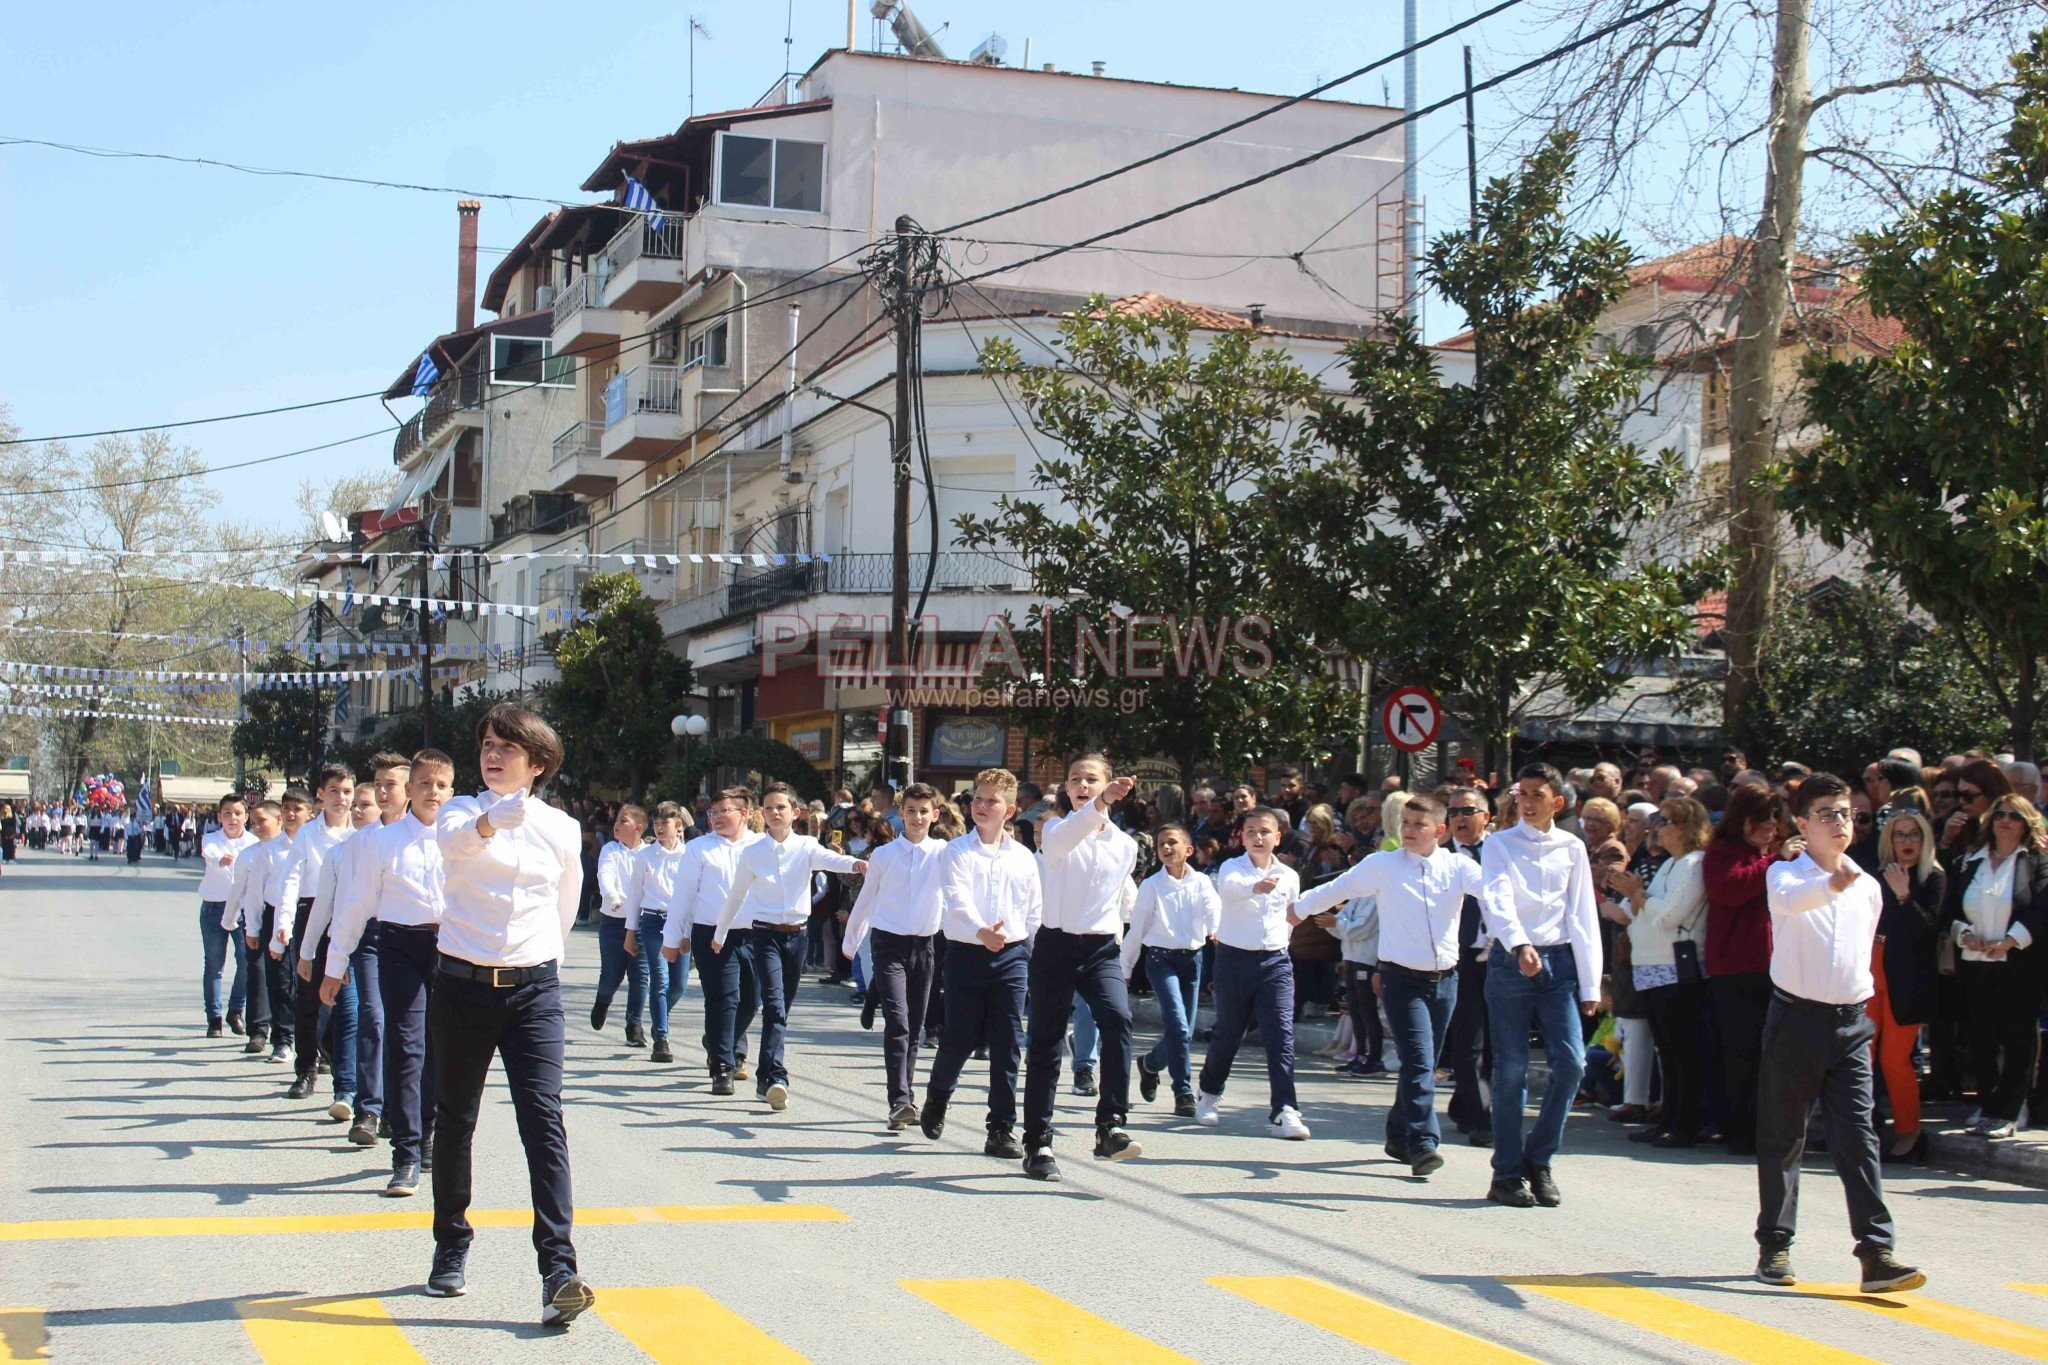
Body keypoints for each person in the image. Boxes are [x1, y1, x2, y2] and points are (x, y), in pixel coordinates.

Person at [421, 704, 592, 1326]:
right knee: (456, 1117)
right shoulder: (464, 811)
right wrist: (492, 821)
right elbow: (454, 847)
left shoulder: (562, 829)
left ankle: (559, 1268)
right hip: (462, 985)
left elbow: (565, 904)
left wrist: (538, 960)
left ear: (537, 763)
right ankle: (451, 1243)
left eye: (508, 748)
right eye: (489, 745)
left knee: (543, 1120)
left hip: (533, 991)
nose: (494, 756)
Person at [1754, 773, 1924, 1295]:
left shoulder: (1868, 886)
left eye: (1847, 813)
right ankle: (1775, 1243)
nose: (1840, 822)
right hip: (1795, 1018)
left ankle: (1876, 1252)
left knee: (1859, 1137)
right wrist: (1831, 883)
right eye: (1826, 814)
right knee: (1785, 1136)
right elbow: (1792, 904)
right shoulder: (1785, 875)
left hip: (1851, 1023)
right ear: (1802, 823)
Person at [1293, 794, 1481, 1178]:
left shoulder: (1459, 867)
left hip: (1445, 981)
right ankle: (1423, 1141)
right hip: (1400, 980)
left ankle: (1397, 1134)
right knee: (1419, 1060)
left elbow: (1498, 894)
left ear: (1440, 832)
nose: (1409, 831)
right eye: (1405, 823)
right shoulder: (1383, 865)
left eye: (1419, 825)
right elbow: (1338, 889)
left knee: (1421, 1062)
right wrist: (1297, 909)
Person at [324, 753, 453, 1197]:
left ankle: (430, 1135)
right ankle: (405, 1153)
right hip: (398, 946)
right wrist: (334, 962)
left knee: (440, 1047)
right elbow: (356, 904)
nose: (432, 792)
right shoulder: (384, 841)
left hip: (452, 949)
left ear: (451, 791)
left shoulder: (465, 837)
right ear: (409, 790)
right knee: (405, 1046)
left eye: (440, 784)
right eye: (423, 784)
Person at [1478, 764, 1601, 1209]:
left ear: (1558, 802)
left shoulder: (1572, 847)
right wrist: (1518, 943)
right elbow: (1497, 897)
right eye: (1522, 793)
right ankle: (1506, 1172)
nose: (1527, 802)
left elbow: (1583, 913)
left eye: (1537, 794)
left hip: (1560, 962)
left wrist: (1590, 984)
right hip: (1513, 962)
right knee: (1510, 1070)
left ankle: (1539, 1158)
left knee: (1571, 1063)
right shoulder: (1499, 844)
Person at [1022, 754, 1143, 1180]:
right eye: (1075, 779)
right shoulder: (1055, 829)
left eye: (1092, 779)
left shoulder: (1126, 846)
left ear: (1109, 783)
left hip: (1100, 949)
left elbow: (1125, 901)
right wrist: (1099, 804)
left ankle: (1110, 1126)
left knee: (1118, 1019)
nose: (1083, 785)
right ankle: (1037, 1142)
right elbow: (1069, 836)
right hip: (1055, 946)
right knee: (1046, 1043)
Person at [712, 782, 866, 1111]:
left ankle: (765, 1075)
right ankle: (774, 1076)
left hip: (798, 936)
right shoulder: (752, 853)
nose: (775, 813)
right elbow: (736, 896)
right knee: (774, 1005)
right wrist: (720, 932)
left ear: (795, 813)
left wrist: (856, 864)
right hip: (764, 935)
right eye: (768, 808)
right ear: (761, 814)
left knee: (783, 1008)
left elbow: (831, 860)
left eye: (781, 807)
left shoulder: (806, 846)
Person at [921, 766, 1040, 1160]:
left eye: (992, 801)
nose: (982, 806)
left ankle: (1001, 1128)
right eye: (978, 798)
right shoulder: (956, 851)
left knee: (1008, 1043)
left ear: (1009, 810)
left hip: (1012, 956)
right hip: (967, 953)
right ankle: (938, 1096)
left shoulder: (1024, 857)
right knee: (960, 1037)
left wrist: (1028, 951)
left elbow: (1033, 910)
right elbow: (956, 899)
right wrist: (981, 931)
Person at [1194, 806, 1311, 1141]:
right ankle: (1209, 1092)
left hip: (1275, 962)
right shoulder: (1233, 868)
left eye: (1265, 832)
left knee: (1280, 1035)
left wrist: (1281, 945)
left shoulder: (1289, 876)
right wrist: (1255, 887)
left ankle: (1285, 1109)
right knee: (1229, 1032)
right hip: (1234, 961)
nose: (1258, 838)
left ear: (1278, 836)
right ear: (1242, 837)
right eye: (1251, 832)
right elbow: (1229, 889)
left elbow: (1291, 915)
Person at [1606, 797, 1711, 1148]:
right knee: (1665, 1050)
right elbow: (1643, 912)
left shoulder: (1694, 863)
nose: (1656, 828)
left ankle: (1684, 1124)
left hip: (1675, 967)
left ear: (1683, 827)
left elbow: (1670, 916)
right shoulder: (1669, 864)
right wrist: (1635, 897)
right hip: (1649, 964)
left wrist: (1638, 896)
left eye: (1664, 821)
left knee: (1682, 1050)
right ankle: (1667, 1117)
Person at [842, 782, 948, 1130]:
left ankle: (908, 1094)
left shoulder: (944, 853)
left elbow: (955, 899)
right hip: (888, 944)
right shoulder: (885, 855)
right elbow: (867, 899)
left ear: (935, 815)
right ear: (900, 814)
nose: (917, 818)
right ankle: (898, 1100)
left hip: (925, 946)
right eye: (911, 811)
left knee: (914, 1026)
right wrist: (851, 941)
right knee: (899, 1023)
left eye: (923, 811)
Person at [1947, 794, 2047, 1139]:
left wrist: (2010, 939)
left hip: (2018, 962)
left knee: (2019, 1039)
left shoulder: (2036, 862)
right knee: (1982, 1038)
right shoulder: (1968, 862)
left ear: (2026, 823)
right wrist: (1965, 935)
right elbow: (1952, 912)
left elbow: (2040, 909)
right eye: (2000, 815)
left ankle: (2008, 1111)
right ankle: (1988, 1106)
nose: (2005, 821)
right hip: (1975, 963)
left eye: (2014, 816)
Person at [661, 787, 764, 1095]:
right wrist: (672, 937)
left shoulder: (761, 846)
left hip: (754, 933)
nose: (717, 818)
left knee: (752, 1000)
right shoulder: (699, 848)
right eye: (713, 812)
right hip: (711, 933)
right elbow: (683, 895)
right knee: (723, 998)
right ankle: (721, 1066)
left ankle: (720, 1039)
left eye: (725, 811)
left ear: (744, 813)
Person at [1703, 782, 1785, 1157]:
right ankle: (1738, 1129)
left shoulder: (1775, 856)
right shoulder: (1722, 852)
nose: (1770, 826)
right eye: (1762, 819)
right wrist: (1772, 860)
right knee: (1740, 1052)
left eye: (1774, 818)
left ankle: (1765, 1127)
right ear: (1743, 820)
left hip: (1776, 968)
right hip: (1735, 968)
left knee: (1772, 1055)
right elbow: (1730, 889)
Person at [294, 782, 380, 1126]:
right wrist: (307, 952)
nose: (357, 810)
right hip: (347, 945)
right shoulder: (340, 853)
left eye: (365, 804)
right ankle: (347, 1092)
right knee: (351, 1015)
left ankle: (383, 1101)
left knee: (381, 1022)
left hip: (391, 944)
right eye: (355, 804)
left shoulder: (396, 846)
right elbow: (323, 908)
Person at [1121, 824, 1221, 1119]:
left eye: (1172, 843)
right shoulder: (1151, 885)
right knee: (1178, 1027)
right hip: (1161, 960)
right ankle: (1183, 1091)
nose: (1166, 848)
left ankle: (1150, 1064)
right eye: (1161, 843)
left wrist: (1216, 930)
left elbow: (1213, 909)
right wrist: (1125, 966)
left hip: (1193, 960)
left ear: (1188, 850)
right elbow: (1137, 928)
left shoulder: (1201, 882)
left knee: (1185, 1032)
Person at [280, 763, 358, 1103]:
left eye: (347, 792)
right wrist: (282, 924)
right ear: (320, 795)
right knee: (308, 997)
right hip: (312, 914)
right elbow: (291, 880)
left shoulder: (363, 833)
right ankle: (305, 1069)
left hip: (352, 916)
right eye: (334, 791)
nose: (341, 799)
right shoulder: (308, 835)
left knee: (350, 1000)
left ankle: (345, 1070)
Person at [1871, 808, 1943, 1161]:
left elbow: (1927, 930)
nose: (1907, 841)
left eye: (1914, 834)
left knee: (1894, 1057)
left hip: (1907, 976)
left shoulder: (1934, 878)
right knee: (1859, 1053)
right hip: (1872, 965)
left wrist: (1903, 894)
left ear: (1924, 838)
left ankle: (1909, 1130)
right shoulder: (1878, 874)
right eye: (1899, 835)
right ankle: (1861, 1127)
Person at [223, 799, 294, 1063]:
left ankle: (296, 1033)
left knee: (291, 981)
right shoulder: (251, 854)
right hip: (264, 918)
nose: (256, 826)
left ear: (278, 819)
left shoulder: (298, 848)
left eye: (261, 820)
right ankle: (259, 1030)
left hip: (297, 918)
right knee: (260, 973)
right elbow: (243, 892)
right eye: (253, 822)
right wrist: (233, 922)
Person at [1442, 789, 1494, 1145]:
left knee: (1497, 1038)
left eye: (1468, 810)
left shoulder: (1504, 852)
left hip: (1501, 954)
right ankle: (1480, 1117)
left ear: (1486, 816)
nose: (1460, 817)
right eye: (1454, 811)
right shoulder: (1441, 858)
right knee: (1467, 1039)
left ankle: (1467, 1102)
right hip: (1460, 957)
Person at [627, 804, 694, 1064]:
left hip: (678, 922)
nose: (659, 828)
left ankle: (658, 1019)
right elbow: (635, 896)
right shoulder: (645, 856)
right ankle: (662, 1039)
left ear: (678, 826)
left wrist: (687, 933)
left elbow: (692, 898)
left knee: (678, 985)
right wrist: (630, 932)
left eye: (664, 823)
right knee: (660, 978)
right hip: (653, 921)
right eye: (656, 823)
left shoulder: (689, 855)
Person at [590, 805, 649, 1048]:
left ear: (638, 827)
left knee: (640, 975)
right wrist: (612, 897)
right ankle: (603, 1000)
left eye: (623, 821)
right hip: (614, 922)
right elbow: (605, 875)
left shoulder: (649, 853)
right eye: (617, 820)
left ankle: (634, 1024)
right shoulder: (610, 849)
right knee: (612, 974)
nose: (617, 824)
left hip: (644, 921)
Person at [198, 795, 256, 1039]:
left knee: (246, 961)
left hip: (243, 911)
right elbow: (209, 854)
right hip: (214, 908)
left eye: (237, 813)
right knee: (214, 965)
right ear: (219, 816)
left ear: (246, 816)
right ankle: (214, 1018)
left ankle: (236, 1009)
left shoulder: (254, 843)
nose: (232, 818)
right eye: (227, 813)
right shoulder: (212, 839)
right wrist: (221, 860)